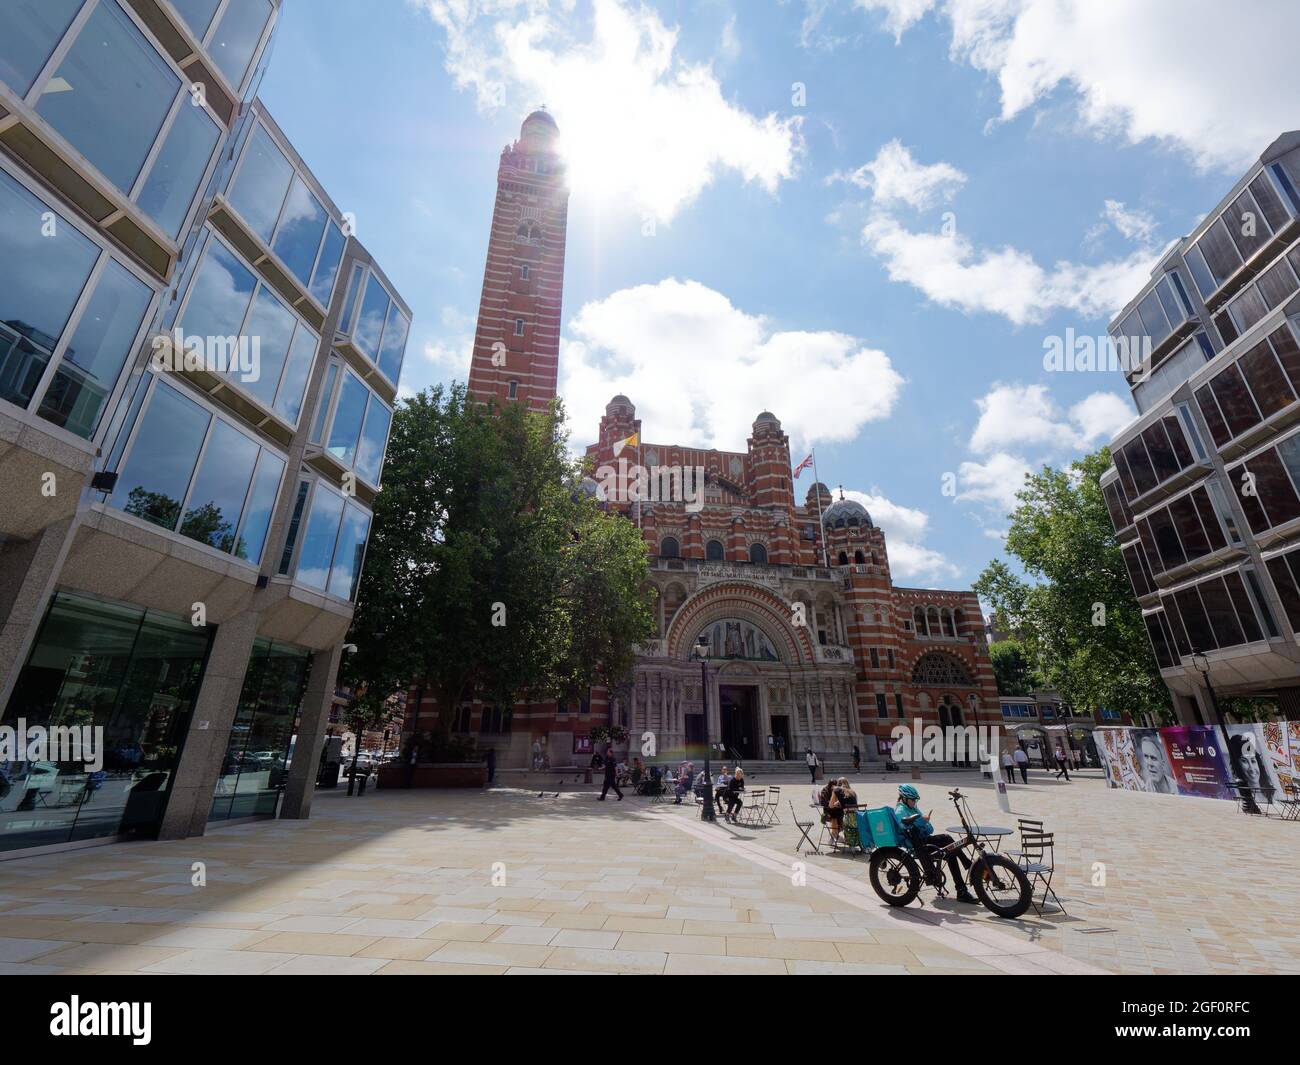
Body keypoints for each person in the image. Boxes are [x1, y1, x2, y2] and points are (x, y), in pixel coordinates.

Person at [894, 784, 977, 904]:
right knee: (948, 841)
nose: (915, 802)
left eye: (916, 800)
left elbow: (929, 829)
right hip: (917, 845)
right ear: (904, 798)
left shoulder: (912, 808)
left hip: (924, 839)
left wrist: (923, 823)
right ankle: (966, 867)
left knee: (950, 850)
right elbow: (906, 827)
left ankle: (962, 890)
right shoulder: (900, 810)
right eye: (913, 800)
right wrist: (922, 821)